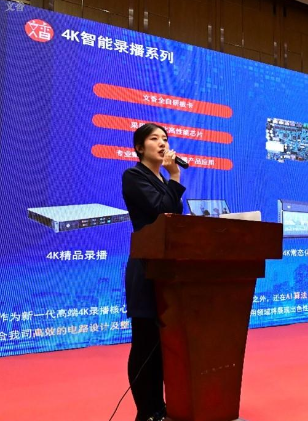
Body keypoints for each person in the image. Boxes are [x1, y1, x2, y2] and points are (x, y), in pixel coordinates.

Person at [122, 123, 186, 421]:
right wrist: (175, 177)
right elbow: (162, 210)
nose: (162, 144)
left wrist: (171, 180)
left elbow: (174, 217)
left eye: (165, 139)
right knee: (145, 341)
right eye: (154, 139)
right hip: (145, 268)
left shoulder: (161, 180)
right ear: (139, 147)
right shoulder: (134, 176)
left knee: (161, 345)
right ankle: (146, 411)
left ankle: (160, 407)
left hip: (165, 270)